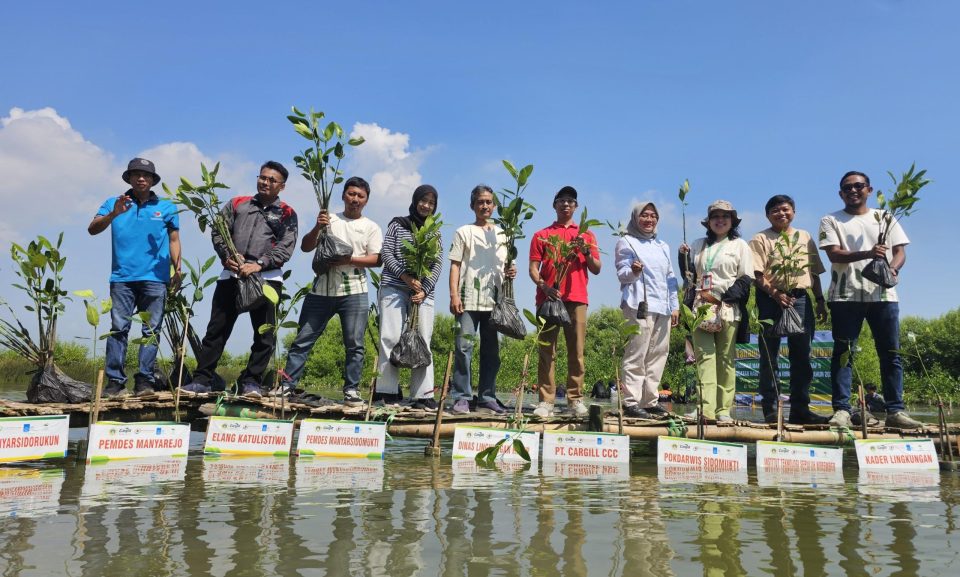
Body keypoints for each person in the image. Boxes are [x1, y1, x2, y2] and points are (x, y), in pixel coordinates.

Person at [181, 161, 298, 397]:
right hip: (231, 275)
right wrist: (227, 257)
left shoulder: (286, 212)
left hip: (267, 279)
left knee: (264, 335)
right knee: (216, 331)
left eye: (271, 180)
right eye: (262, 177)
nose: (265, 182)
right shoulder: (237, 203)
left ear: (282, 186)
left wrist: (259, 264)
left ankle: (251, 382)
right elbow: (218, 231)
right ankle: (202, 380)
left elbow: (286, 246)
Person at [818, 171, 921, 429]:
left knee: (891, 353)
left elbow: (899, 252)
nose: (853, 190)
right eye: (847, 187)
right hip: (845, 295)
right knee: (843, 353)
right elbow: (834, 255)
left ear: (869, 189)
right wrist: (868, 253)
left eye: (858, 186)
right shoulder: (831, 220)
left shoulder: (885, 216)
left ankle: (896, 410)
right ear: (841, 193)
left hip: (883, 294)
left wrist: (893, 269)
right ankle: (841, 409)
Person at [276, 177, 382, 404]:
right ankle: (287, 385)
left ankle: (351, 391)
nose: (355, 199)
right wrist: (318, 226)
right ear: (343, 195)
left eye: (360, 196)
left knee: (355, 344)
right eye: (351, 194)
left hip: (354, 291)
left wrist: (349, 259)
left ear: (366, 200)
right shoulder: (329, 219)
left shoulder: (371, 227)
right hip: (320, 291)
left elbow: (377, 259)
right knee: (302, 339)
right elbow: (305, 246)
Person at [88, 158, 181, 398]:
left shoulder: (167, 207)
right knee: (119, 329)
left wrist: (177, 270)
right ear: (128, 178)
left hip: (156, 278)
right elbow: (92, 228)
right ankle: (115, 383)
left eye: (146, 175)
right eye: (136, 174)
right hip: (122, 278)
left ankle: (144, 382)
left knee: (151, 331)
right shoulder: (114, 202)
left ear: (153, 180)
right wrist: (113, 214)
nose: (141, 178)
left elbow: (173, 240)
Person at [749, 195, 830, 425]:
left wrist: (820, 300)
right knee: (769, 357)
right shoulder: (760, 238)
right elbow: (756, 274)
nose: (781, 214)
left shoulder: (804, 237)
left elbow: (813, 272)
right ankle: (771, 409)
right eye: (775, 210)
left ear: (793, 211)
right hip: (770, 299)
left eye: (785, 209)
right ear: (767, 215)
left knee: (802, 357)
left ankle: (800, 409)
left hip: (801, 299)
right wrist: (775, 293)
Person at [528, 186, 601, 418]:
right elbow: (533, 269)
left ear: (576, 207)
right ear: (554, 205)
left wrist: (586, 251)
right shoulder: (542, 234)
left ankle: (575, 400)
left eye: (570, 201)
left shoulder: (586, 235)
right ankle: (546, 401)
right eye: (561, 201)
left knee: (576, 351)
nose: (566, 204)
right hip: (548, 299)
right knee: (546, 350)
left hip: (577, 298)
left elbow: (597, 268)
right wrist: (545, 287)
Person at [679, 200, 753, 423]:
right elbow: (689, 276)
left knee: (725, 359)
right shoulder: (698, 244)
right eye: (715, 217)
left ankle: (723, 410)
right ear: (708, 222)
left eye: (725, 217)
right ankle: (704, 408)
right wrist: (682, 256)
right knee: (704, 358)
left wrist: (725, 297)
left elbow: (746, 277)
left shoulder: (740, 245)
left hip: (728, 309)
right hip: (701, 309)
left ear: (732, 221)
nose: (720, 220)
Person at [447, 185, 516, 414]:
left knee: (491, 352)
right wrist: (454, 294)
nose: (485, 206)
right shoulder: (463, 231)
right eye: (480, 202)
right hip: (467, 298)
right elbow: (455, 264)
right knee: (463, 347)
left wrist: (511, 272)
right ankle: (462, 397)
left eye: (488, 202)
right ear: (472, 206)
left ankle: (487, 396)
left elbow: (506, 264)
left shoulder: (504, 233)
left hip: (494, 301)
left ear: (494, 206)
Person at [376, 185, 443, 410]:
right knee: (390, 336)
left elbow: (437, 262)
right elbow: (387, 253)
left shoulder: (435, 231)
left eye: (431, 203)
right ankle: (386, 391)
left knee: (423, 339)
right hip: (394, 287)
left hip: (422, 292)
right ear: (415, 201)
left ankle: (423, 395)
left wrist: (424, 288)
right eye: (423, 201)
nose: (426, 206)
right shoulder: (398, 224)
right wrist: (405, 277)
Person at [614, 202, 679, 419]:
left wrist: (675, 305)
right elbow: (622, 274)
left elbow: (671, 278)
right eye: (644, 215)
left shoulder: (663, 246)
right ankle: (631, 401)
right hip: (638, 305)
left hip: (663, 307)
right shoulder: (626, 241)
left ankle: (650, 401)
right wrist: (632, 271)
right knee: (636, 353)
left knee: (659, 354)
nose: (649, 220)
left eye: (653, 216)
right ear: (635, 218)